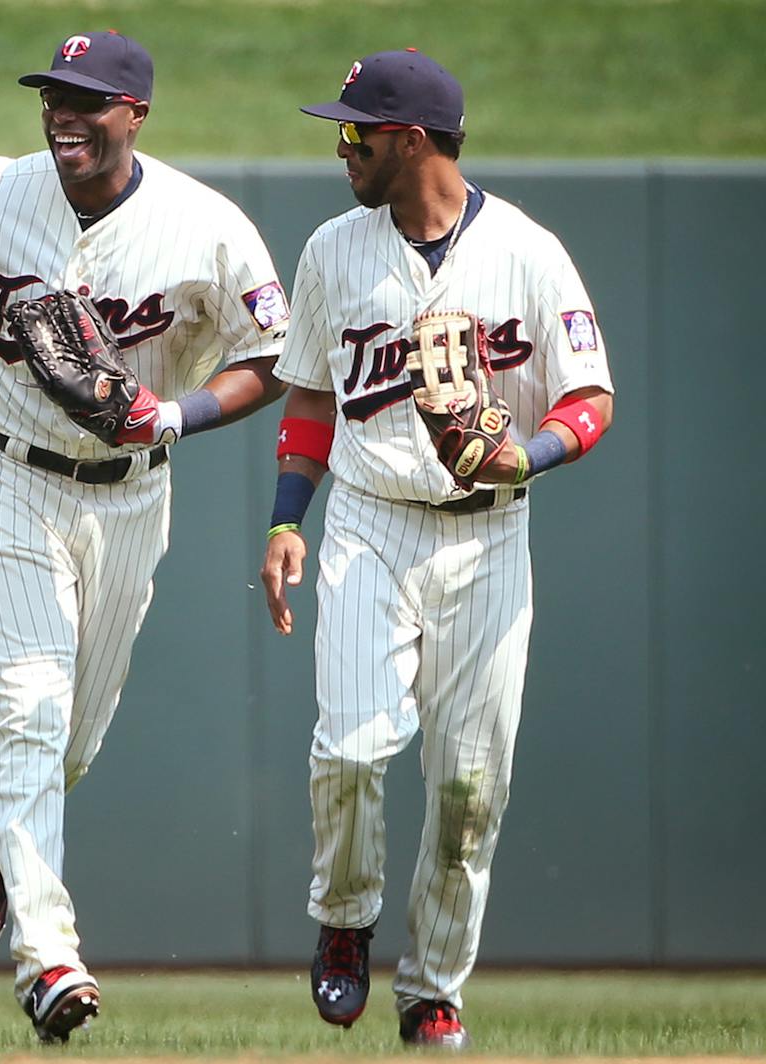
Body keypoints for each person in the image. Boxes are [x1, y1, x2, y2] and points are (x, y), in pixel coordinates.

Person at [0, 30, 291, 1043]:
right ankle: (50, 958)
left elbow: (268, 356)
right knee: (32, 708)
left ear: (136, 114)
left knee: (71, 742)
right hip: (4, 476)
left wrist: (174, 415)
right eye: (52, 95)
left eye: (87, 99)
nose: (63, 114)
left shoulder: (206, 227)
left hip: (130, 494)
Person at [258, 49, 615, 1048]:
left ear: (410, 140)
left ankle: (433, 988)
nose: (342, 145)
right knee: (351, 745)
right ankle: (343, 919)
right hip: (369, 523)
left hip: (489, 537)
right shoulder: (334, 248)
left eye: (355, 131)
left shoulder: (529, 253)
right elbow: (311, 395)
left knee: (468, 789)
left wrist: (525, 454)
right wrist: (288, 518)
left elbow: (593, 396)